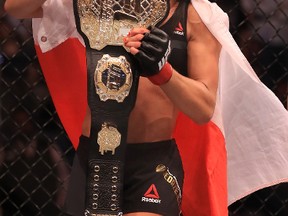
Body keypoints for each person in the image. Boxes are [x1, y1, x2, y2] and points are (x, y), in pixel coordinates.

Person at [4, 0, 288, 216]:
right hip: (93, 159)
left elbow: (203, 107)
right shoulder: (91, 6)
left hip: (153, 166)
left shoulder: (193, 14)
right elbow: (16, 6)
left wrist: (164, 73)